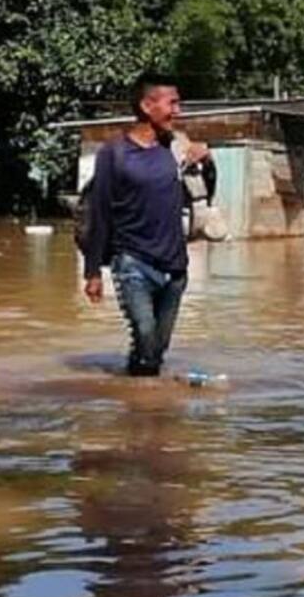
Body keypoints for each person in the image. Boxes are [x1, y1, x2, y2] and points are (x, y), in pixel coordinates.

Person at [82, 74, 209, 377]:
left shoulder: (177, 149)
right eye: (172, 103)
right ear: (146, 105)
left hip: (175, 267)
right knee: (146, 333)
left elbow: (205, 195)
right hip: (132, 262)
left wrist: (208, 159)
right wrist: (92, 272)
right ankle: (142, 398)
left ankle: (142, 405)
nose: (177, 111)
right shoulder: (114, 154)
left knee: (155, 350)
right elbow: (98, 213)